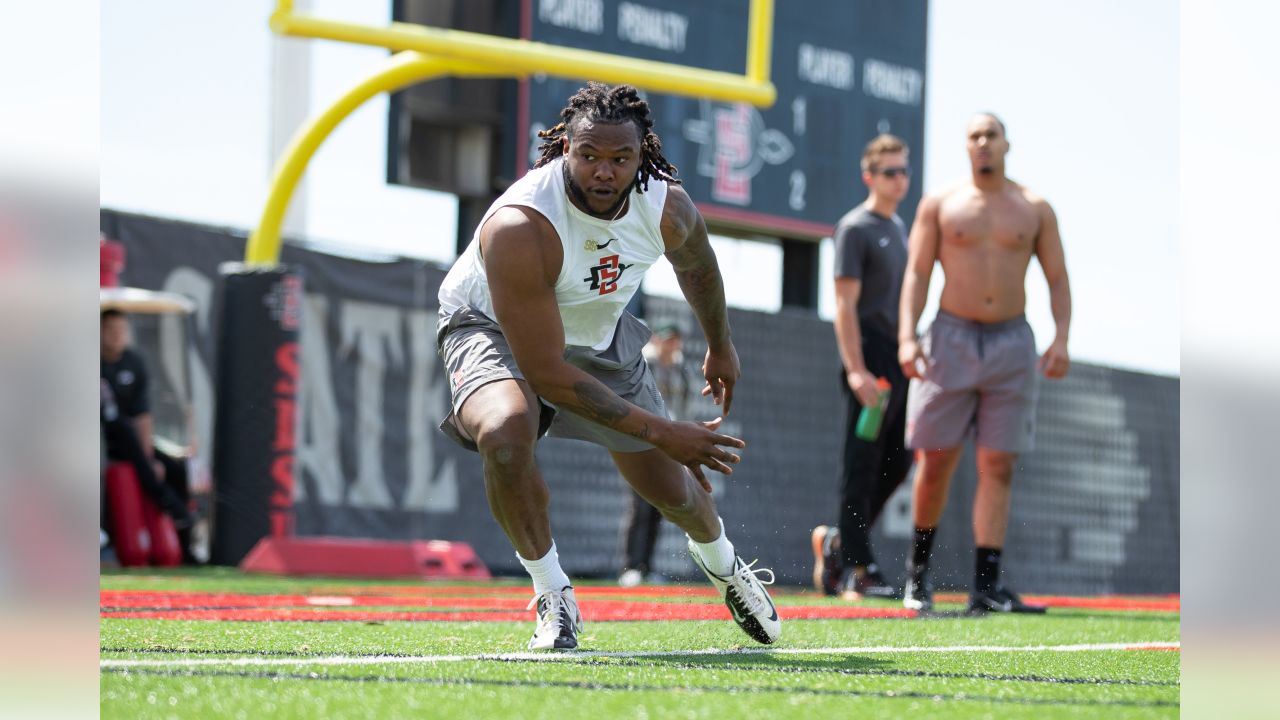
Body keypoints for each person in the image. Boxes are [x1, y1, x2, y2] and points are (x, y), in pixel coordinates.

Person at [435, 82, 780, 650]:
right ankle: (554, 596)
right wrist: (665, 431)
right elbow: (545, 373)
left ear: (642, 153)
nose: (603, 171)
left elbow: (699, 266)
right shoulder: (520, 226)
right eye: (588, 155)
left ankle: (726, 565)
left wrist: (721, 346)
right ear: (562, 149)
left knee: (675, 493)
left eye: (619, 158)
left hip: (598, 334)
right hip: (492, 326)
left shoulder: (666, 205)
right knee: (504, 433)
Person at [897, 113, 1071, 614]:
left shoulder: (1035, 207)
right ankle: (917, 578)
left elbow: (1058, 278)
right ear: (966, 147)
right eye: (974, 136)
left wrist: (1061, 337)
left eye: (990, 136)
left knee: (998, 462)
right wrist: (908, 336)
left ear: (1006, 144)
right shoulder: (941, 203)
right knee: (935, 460)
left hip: (1011, 341)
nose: (982, 144)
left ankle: (987, 588)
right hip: (949, 336)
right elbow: (917, 273)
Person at [810, 134, 913, 601]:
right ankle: (858, 569)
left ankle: (838, 541)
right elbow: (845, 305)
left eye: (904, 170)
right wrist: (856, 369)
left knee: (899, 460)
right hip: (868, 354)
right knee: (862, 464)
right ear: (869, 176)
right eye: (890, 171)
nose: (899, 180)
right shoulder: (855, 227)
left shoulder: (901, 227)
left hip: (897, 356)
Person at [100, 309, 193, 530]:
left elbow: (142, 415)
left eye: (121, 330)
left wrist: (150, 459)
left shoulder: (134, 363)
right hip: (102, 438)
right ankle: (168, 502)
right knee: (121, 427)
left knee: (174, 467)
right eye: (111, 330)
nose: (116, 336)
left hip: (127, 442)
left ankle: (184, 530)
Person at [618, 322, 693, 587]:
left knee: (658, 508)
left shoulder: (680, 369)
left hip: (668, 444)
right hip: (642, 439)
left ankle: (647, 567)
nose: (673, 346)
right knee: (638, 505)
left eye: (676, 340)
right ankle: (631, 566)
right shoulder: (644, 362)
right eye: (669, 340)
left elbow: (683, 407)